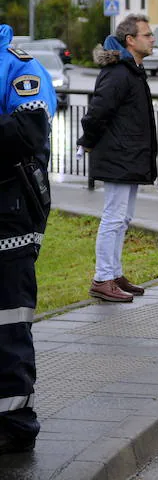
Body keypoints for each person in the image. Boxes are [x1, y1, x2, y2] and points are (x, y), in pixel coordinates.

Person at [0, 23, 55, 454]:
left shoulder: (19, 68)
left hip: (9, 218)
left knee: (8, 321)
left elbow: (30, 133)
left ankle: (16, 423)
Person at [78, 14, 158, 303]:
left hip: (129, 156)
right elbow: (97, 112)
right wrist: (87, 142)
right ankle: (102, 278)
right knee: (113, 218)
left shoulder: (132, 70)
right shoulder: (118, 72)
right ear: (131, 40)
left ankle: (114, 273)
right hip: (119, 156)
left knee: (122, 218)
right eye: (147, 35)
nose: (153, 40)